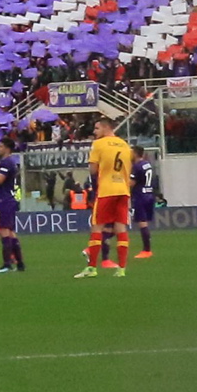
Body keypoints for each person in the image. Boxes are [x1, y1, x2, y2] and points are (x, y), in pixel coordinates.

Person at [81, 115, 136, 277]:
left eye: (97, 128)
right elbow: (129, 169)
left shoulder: (99, 144)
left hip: (106, 190)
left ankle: (91, 268)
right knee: (120, 227)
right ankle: (122, 269)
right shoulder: (125, 145)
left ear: (106, 128)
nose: (94, 131)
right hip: (123, 190)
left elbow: (93, 170)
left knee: (97, 226)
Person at [0, 144, 26, 274]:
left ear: (7, 148)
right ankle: (20, 264)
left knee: (4, 230)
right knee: (10, 231)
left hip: (5, 200)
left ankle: (8, 264)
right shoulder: (6, 162)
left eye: (1, 146)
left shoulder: (6, 163)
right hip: (7, 199)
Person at [130, 148, 159, 260]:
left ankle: (146, 250)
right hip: (149, 194)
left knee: (142, 223)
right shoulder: (147, 164)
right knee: (145, 222)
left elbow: (131, 183)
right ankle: (147, 249)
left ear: (136, 154)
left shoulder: (136, 166)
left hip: (140, 196)